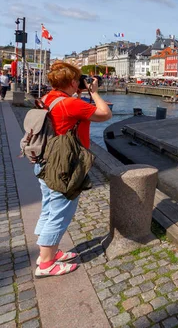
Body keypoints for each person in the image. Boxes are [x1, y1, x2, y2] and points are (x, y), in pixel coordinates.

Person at [34, 62, 112, 278]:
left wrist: (78, 92)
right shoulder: (70, 104)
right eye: (78, 79)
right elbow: (105, 114)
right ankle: (46, 264)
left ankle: (46, 253)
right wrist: (94, 93)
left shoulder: (49, 98)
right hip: (63, 166)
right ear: (71, 82)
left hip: (45, 161)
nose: (81, 82)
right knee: (59, 213)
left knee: (49, 208)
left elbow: (69, 112)